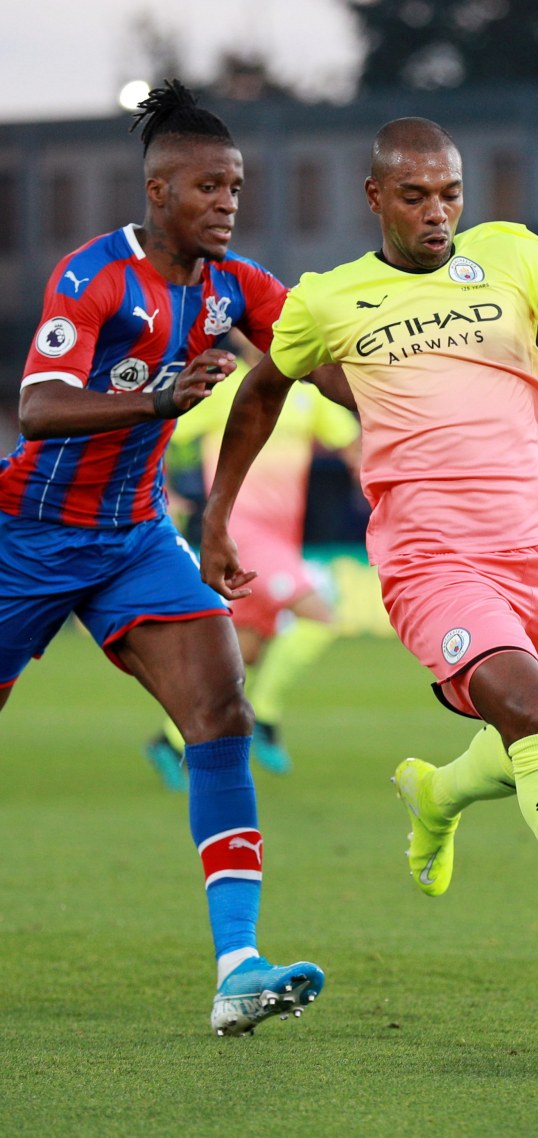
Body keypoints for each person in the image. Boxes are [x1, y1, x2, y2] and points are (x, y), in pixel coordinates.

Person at [200, 116, 538, 958]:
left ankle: (438, 794)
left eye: (450, 194)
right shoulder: (328, 298)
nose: (437, 212)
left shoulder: (511, 253)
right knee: (537, 720)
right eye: (414, 195)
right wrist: (218, 516)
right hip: (429, 558)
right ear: (376, 198)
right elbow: (262, 393)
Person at [0, 79, 326, 1037]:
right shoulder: (92, 276)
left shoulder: (236, 285)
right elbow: (40, 409)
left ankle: (238, 967)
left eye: (236, 187)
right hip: (24, 537)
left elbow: (318, 361)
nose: (228, 202)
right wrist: (159, 402)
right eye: (210, 188)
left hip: (134, 538)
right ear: (158, 192)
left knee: (221, 709)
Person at [147, 332, 360, 782]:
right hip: (237, 532)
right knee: (319, 614)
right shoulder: (224, 388)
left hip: (283, 538)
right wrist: (162, 491)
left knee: (239, 656)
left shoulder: (303, 391)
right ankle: (263, 717)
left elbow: (352, 444)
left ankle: (169, 739)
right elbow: (161, 429)